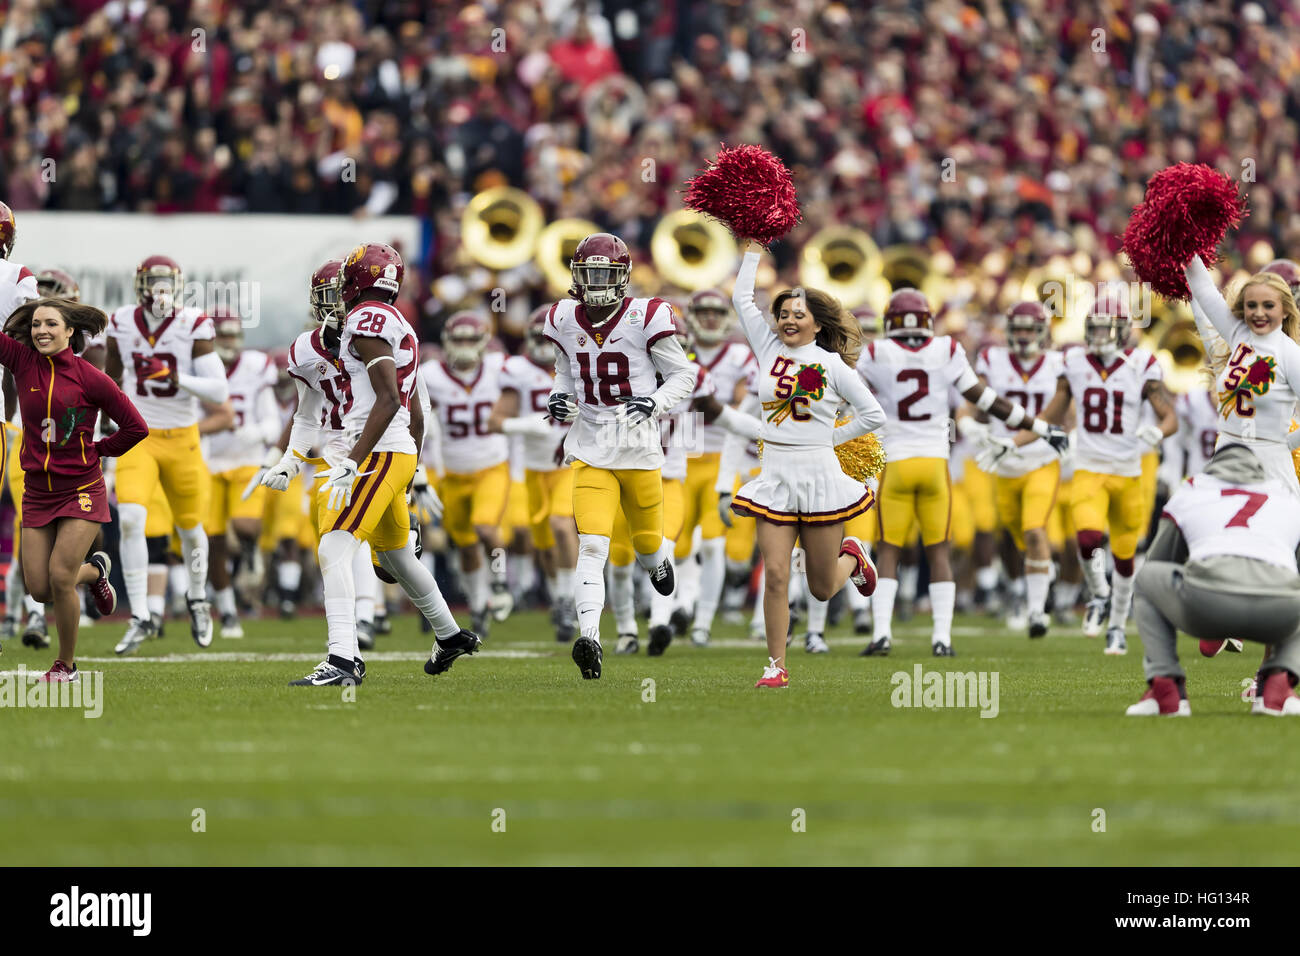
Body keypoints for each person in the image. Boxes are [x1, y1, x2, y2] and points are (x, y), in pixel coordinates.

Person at [264, 245, 476, 686]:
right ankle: (450, 634)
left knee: (333, 546)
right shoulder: (323, 343)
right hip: (371, 452)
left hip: (375, 452)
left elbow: (399, 403)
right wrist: (290, 460)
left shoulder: (368, 320)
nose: (335, 298)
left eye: (340, 287)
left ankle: (344, 659)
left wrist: (367, 463)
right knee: (398, 557)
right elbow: (309, 414)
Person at [857, 288, 1068, 657]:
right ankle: (942, 638)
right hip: (935, 465)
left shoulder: (876, 352)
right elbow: (988, 400)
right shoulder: (948, 350)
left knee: (888, 548)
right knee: (940, 549)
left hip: (896, 462)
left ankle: (882, 634)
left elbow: (850, 396)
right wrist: (1038, 424)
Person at [728, 241, 886, 688]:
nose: (789, 320)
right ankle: (776, 666)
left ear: (818, 323)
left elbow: (875, 415)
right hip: (775, 475)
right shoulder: (766, 347)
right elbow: (741, 299)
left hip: (819, 476)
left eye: (799, 314)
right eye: (784, 313)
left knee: (819, 587)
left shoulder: (833, 365)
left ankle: (854, 560)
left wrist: (829, 439)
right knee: (776, 573)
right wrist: (754, 252)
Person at [544, 232, 697, 680]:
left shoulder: (647, 315)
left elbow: (683, 374)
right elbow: (563, 376)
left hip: (639, 449)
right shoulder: (562, 317)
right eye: (587, 273)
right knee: (593, 544)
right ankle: (590, 636)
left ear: (623, 276)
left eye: (603, 273)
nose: (594, 282)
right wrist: (558, 399)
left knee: (648, 545)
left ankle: (657, 564)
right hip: (590, 447)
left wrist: (654, 402)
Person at [0, 297, 147, 679]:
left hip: (81, 488)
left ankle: (66, 666)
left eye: (50, 324)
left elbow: (136, 427)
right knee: (39, 589)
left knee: (61, 576)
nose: (41, 331)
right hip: (37, 492)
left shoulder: (91, 377)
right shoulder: (21, 361)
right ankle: (96, 574)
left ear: (69, 332)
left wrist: (98, 450)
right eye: (35, 325)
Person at [1037, 287, 1178, 654]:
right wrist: (1024, 431)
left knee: (1126, 556)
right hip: (1089, 467)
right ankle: (1098, 593)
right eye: (1094, 328)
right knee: (1086, 539)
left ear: (1122, 330)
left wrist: (1157, 432)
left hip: (1129, 470)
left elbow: (1170, 417)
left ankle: (1116, 625)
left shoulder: (1141, 365)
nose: (1098, 336)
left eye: (1105, 329)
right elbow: (1055, 409)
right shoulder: (1074, 363)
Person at [105, 255, 230, 653]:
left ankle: (197, 598)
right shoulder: (121, 322)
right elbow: (108, 381)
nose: (159, 290)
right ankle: (141, 614)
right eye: (152, 282)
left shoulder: (193, 323)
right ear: (140, 285)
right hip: (139, 435)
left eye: (165, 283)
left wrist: (177, 378)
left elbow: (219, 392)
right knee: (130, 519)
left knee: (192, 529)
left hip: (183, 437)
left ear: (177, 286)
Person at [1128, 444, 1300, 716]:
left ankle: (1167, 689)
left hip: (1206, 604)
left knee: (1147, 578)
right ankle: (1278, 683)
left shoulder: (1193, 490)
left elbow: (1160, 561)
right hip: (1278, 611)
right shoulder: (1287, 497)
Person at [965, 300, 1064, 638]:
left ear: (1043, 331)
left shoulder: (1058, 363)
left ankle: (1037, 611)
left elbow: (1069, 405)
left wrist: (1074, 437)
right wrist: (966, 424)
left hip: (1040, 460)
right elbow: (971, 397)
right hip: (1002, 463)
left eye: (1028, 327)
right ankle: (1022, 590)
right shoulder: (992, 360)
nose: (1022, 335)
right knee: (1011, 538)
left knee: (1035, 531)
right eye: (1017, 328)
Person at [488, 305, 577, 643]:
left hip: (569, 463)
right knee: (545, 544)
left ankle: (569, 599)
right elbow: (494, 422)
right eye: (537, 336)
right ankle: (559, 599)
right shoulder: (517, 370)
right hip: (531, 468)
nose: (543, 343)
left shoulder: (578, 363)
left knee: (561, 525)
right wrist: (526, 425)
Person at [422, 310, 514, 636]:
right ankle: (479, 606)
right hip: (452, 473)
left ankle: (501, 582)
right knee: (465, 545)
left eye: (470, 339)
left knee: (486, 528)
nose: (463, 346)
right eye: (457, 339)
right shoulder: (430, 375)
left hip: (491, 466)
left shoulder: (500, 368)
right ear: (446, 341)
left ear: (484, 342)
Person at [203, 312, 280, 638]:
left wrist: (256, 432)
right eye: (222, 335)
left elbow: (273, 422)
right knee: (212, 544)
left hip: (247, 460)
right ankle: (229, 611)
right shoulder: (200, 367)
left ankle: (250, 551)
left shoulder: (255, 367)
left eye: (233, 335)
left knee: (246, 525)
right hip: (209, 463)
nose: (228, 342)